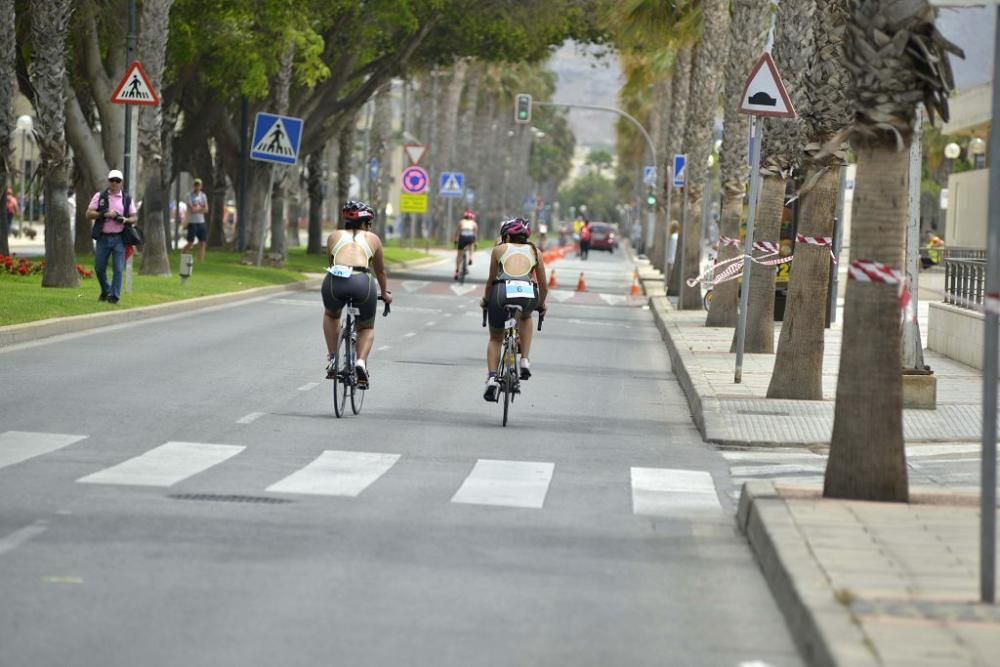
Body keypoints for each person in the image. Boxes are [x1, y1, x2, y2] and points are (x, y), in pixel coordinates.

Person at [322, 200, 392, 387]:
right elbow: (380, 272)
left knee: (331, 314)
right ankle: (360, 361)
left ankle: (334, 359)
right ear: (364, 224)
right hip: (362, 281)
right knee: (366, 328)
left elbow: (332, 262)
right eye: (369, 224)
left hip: (335, 279)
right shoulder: (373, 239)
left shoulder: (333, 236)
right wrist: (385, 293)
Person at [480, 218, 548, 402]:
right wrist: (541, 305)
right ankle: (524, 359)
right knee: (526, 317)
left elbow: (490, 281)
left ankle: (493, 378)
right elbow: (543, 285)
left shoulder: (499, 249)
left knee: (495, 338)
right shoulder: (536, 251)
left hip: (501, 291)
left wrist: (486, 301)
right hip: (527, 293)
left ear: (507, 235)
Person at [86, 169, 137, 304]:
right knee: (99, 268)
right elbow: (88, 213)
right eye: (112, 180)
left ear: (121, 183)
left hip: (119, 238)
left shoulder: (127, 199)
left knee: (118, 269)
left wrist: (123, 219)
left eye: (117, 181)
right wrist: (103, 214)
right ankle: (106, 290)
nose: (114, 183)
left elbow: (134, 218)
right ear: (108, 181)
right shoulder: (100, 196)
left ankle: (114, 296)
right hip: (103, 238)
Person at [181, 178, 208, 262]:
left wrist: (198, 209)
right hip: (192, 222)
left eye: (198, 185)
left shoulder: (203, 196)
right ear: (193, 186)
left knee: (202, 242)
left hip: (201, 222)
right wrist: (200, 209)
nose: (197, 187)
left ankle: (200, 260)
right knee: (190, 242)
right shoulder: (189, 195)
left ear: (201, 186)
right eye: (196, 185)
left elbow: (206, 209)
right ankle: (183, 256)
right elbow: (191, 209)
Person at [454, 209, 478, 280]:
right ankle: (471, 257)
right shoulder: (474, 223)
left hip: (463, 236)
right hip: (470, 235)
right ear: (472, 218)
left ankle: (457, 271)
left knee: (459, 255)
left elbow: (457, 232)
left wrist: (455, 240)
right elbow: (475, 234)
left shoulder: (461, 221)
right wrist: (475, 242)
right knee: (471, 245)